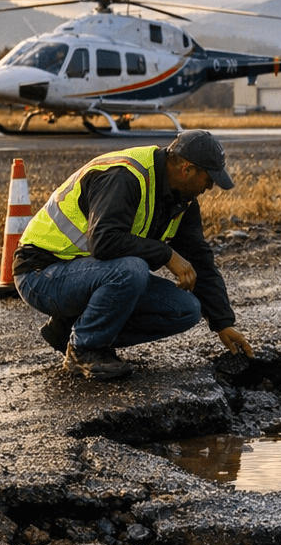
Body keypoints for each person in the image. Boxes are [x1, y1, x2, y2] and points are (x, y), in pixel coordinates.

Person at [13, 130, 254, 380]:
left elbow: (200, 260)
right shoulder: (125, 176)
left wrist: (223, 322)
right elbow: (104, 241)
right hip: (42, 275)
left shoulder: (182, 201)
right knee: (132, 270)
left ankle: (68, 331)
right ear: (188, 170)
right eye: (209, 178)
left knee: (187, 309)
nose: (210, 186)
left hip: (87, 276)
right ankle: (84, 350)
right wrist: (167, 254)